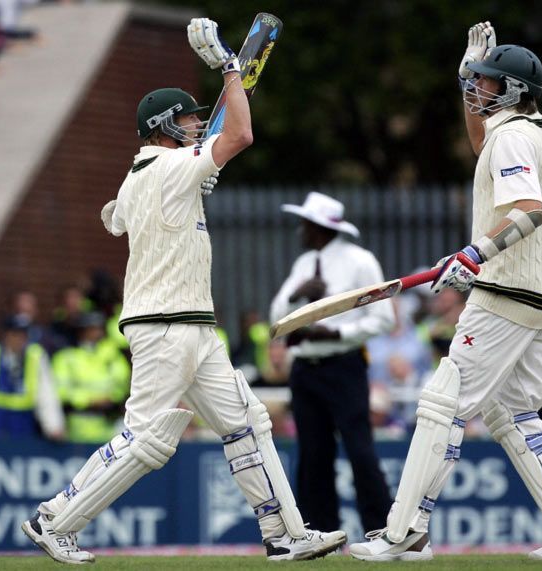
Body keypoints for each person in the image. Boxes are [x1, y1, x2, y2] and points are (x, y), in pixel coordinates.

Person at [21, 18, 345, 564]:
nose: (200, 126)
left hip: (194, 326)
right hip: (165, 326)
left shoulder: (146, 174)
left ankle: (284, 534)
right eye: (192, 120)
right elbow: (240, 135)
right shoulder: (170, 168)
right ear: (164, 126)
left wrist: (192, 178)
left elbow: (116, 219)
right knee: (147, 442)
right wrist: (230, 69)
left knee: (247, 423)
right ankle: (53, 520)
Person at [350, 22, 542, 561]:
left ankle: (404, 532)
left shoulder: (513, 136)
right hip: (539, 301)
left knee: (442, 403)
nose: (477, 89)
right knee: (512, 414)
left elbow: (529, 211)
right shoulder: (524, 131)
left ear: (512, 90)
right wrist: (466, 75)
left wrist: (473, 254)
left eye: (487, 83)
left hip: (507, 295)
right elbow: (477, 143)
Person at [270, 191, 396, 535]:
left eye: (304, 224)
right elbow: (276, 317)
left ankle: (382, 530)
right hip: (305, 370)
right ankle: (318, 532)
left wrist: (338, 335)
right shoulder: (302, 265)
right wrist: (297, 294)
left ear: (318, 227)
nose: (300, 231)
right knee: (312, 456)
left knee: (360, 451)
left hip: (344, 365)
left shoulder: (360, 261)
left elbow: (383, 318)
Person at [0, 314, 64, 446]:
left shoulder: (36, 355)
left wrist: (54, 426)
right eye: (16, 334)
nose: (21, 339)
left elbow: (46, 395)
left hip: (23, 427)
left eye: (24, 335)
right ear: (6, 334)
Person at [52, 312, 130, 444]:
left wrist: (112, 397)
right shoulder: (66, 357)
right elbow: (60, 391)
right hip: (76, 426)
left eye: (98, 328)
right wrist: (89, 400)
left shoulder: (111, 354)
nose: (96, 333)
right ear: (81, 331)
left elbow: (122, 382)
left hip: (107, 426)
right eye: (91, 329)